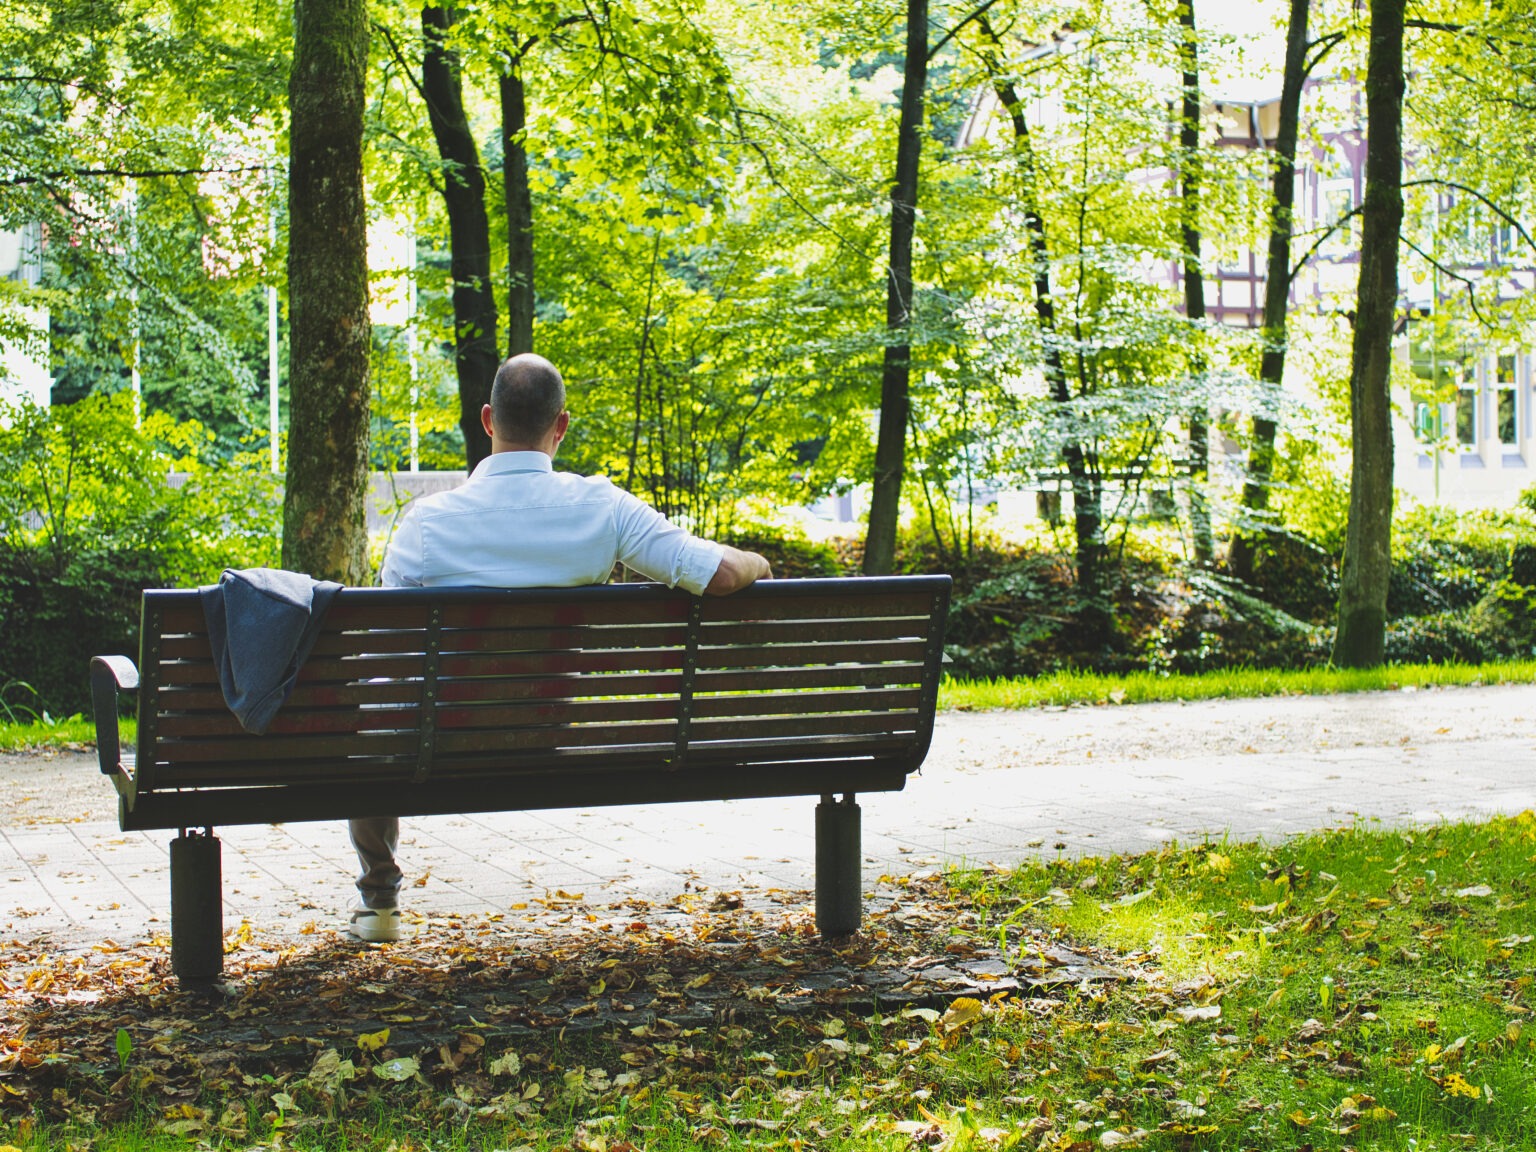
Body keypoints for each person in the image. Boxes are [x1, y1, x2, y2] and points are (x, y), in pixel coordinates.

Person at [348, 353, 772, 942]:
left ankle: (380, 904)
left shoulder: (427, 524)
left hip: (444, 742)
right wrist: (761, 562)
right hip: (566, 735)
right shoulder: (603, 509)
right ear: (561, 425)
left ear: (489, 420)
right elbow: (721, 574)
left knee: (376, 719)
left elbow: (387, 661)